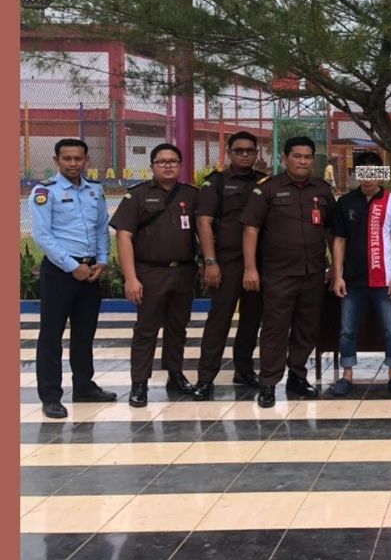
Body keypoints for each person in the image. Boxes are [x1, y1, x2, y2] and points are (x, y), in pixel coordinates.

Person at [241, 136, 335, 408]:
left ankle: (297, 376)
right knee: (275, 329)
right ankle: (268, 383)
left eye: (307, 157)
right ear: (285, 158)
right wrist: (250, 268)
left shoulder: (322, 190)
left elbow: (332, 231)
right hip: (278, 274)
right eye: (297, 156)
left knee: (307, 328)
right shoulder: (267, 189)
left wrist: (335, 267)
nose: (303, 161)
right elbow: (251, 229)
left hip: (313, 272)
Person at [29, 138, 115, 419]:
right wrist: (71, 266)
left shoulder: (95, 191)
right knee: (51, 335)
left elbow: (101, 228)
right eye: (67, 158)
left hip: (90, 271)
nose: (73, 163)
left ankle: (84, 386)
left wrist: (102, 260)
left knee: (85, 333)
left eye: (78, 158)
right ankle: (51, 396)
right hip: (60, 273)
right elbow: (43, 237)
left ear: (86, 160)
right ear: (56, 160)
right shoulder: (45, 192)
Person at [110, 142, 200, 407]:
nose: (168, 166)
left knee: (178, 327)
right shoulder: (137, 196)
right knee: (146, 330)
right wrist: (131, 278)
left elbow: (204, 230)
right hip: (150, 273)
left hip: (183, 272)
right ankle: (139, 383)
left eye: (173, 161)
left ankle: (175, 374)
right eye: (162, 162)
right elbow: (123, 236)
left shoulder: (191, 195)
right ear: (152, 166)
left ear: (180, 165)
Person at [191, 131, 267, 398]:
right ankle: (205, 377)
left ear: (257, 153)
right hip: (227, 261)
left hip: (258, 261)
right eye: (239, 150)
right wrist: (210, 261)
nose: (245, 155)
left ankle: (243, 369)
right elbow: (203, 223)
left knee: (252, 318)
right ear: (229, 153)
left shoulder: (264, 182)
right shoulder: (216, 183)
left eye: (250, 150)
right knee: (219, 319)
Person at [328, 151, 391, 397]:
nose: (368, 178)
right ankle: (347, 374)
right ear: (357, 174)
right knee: (347, 329)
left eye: (374, 172)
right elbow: (339, 240)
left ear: (381, 174)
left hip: (384, 279)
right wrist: (338, 275)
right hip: (353, 279)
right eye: (363, 173)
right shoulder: (346, 202)